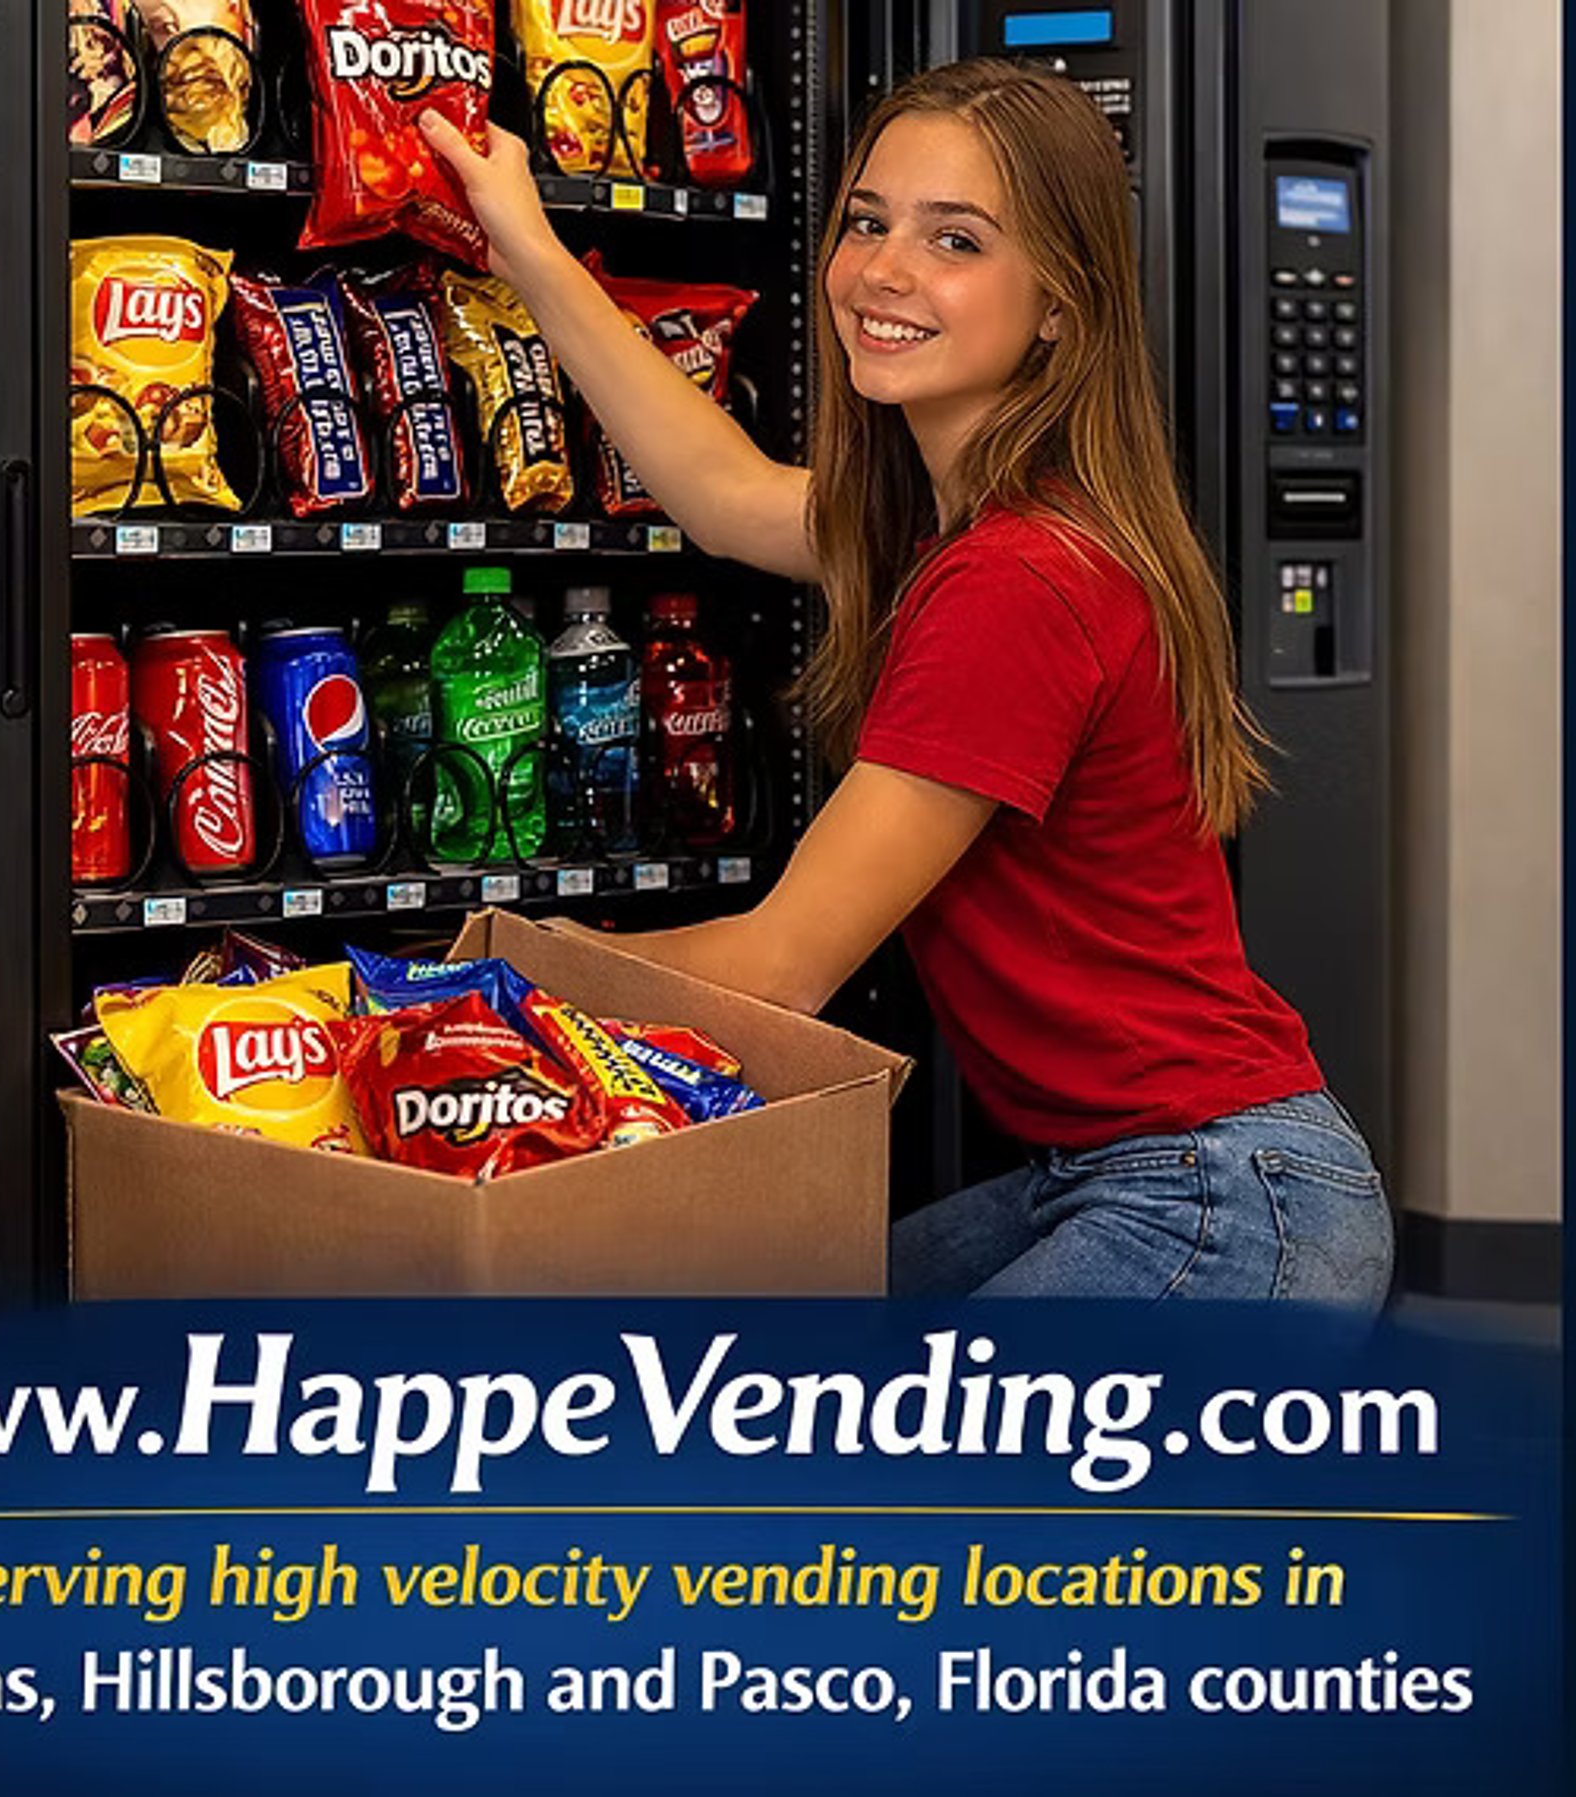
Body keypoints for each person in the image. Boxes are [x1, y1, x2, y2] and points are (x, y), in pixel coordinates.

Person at [419, 60, 1394, 1306]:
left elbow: (782, 968)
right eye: (869, 221)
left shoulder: (1017, 584)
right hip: (1131, 1172)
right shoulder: (963, 531)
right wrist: (530, 244)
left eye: (957, 241)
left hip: (1221, 1202)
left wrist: (476, 977)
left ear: (1060, 305)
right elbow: (721, 495)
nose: (883, 271)